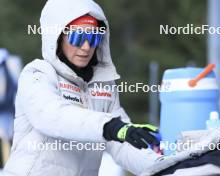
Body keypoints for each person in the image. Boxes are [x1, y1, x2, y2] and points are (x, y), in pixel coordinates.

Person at [3, 0, 161, 175]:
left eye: (94, 38)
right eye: (78, 37)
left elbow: (121, 144)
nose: (86, 47)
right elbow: (51, 116)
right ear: (57, 36)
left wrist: (164, 165)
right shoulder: (38, 73)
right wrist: (109, 126)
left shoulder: (104, 86)